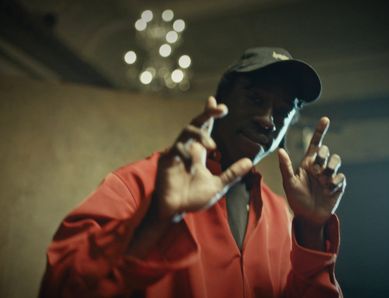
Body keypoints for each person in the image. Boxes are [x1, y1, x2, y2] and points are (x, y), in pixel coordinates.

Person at [40, 47, 346, 298]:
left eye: (282, 112)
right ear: (219, 102)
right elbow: (61, 287)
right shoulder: (136, 185)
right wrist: (155, 218)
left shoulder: (283, 215)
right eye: (255, 99)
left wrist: (311, 229)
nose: (269, 121)